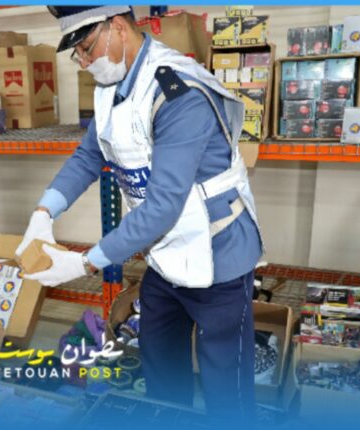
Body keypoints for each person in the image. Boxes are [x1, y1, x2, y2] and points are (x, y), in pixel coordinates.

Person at [17, 6, 264, 424]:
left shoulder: (178, 92)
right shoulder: (111, 88)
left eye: (86, 47)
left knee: (227, 389)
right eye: (77, 53)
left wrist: (84, 262)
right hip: (165, 257)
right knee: (160, 370)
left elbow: (163, 205)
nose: (84, 61)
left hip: (219, 255)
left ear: (117, 27)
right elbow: (88, 156)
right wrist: (43, 213)